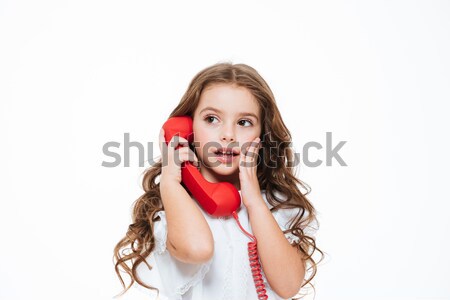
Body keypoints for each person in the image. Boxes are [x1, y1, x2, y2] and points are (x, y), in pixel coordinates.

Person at [113, 62, 323, 300]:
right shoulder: (174, 207)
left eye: (244, 122)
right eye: (212, 119)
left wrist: (253, 201)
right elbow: (198, 248)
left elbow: (288, 286)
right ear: (188, 127)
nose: (228, 135)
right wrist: (171, 181)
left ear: (262, 135)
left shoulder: (274, 206)